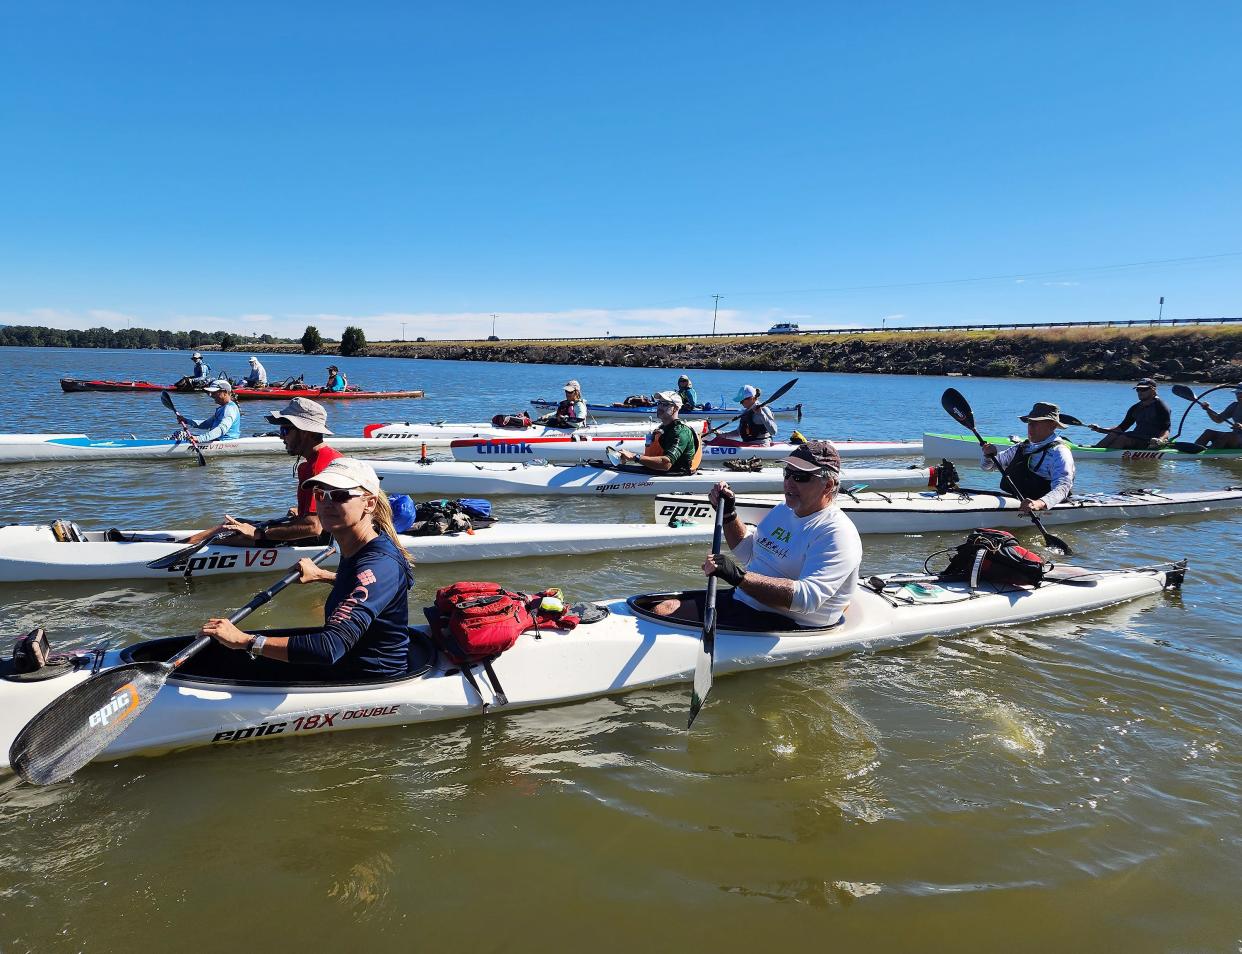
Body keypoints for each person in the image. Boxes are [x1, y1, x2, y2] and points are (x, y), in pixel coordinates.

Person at [200, 458, 414, 679]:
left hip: (369, 675)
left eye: (340, 495)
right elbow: (370, 584)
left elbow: (330, 647)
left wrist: (245, 641)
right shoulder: (361, 547)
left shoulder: (379, 563)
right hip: (347, 659)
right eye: (321, 495)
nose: (327, 504)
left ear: (369, 503)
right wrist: (324, 575)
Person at [652, 441, 861, 628]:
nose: (789, 482)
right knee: (660, 607)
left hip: (791, 621)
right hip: (746, 601)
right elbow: (748, 552)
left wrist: (738, 577)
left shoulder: (837, 533)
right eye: (787, 473)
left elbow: (806, 599)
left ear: (828, 485)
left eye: (800, 476)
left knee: (663, 613)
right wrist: (728, 514)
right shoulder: (783, 510)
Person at [184, 397, 341, 547]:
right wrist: (302, 512)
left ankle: (183, 547)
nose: (281, 437)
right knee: (231, 525)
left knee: (229, 534)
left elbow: (313, 527)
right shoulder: (321, 459)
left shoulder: (318, 467)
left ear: (304, 432)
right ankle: (186, 542)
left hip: (319, 540)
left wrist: (259, 533)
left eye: (285, 430)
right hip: (319, 532)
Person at [980, 402, 1076, 512]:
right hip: (1015, 502)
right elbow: (987, 467)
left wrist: (1039, 503)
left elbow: (1063, 487)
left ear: (1052, 426)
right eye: (1030, 423)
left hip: (1041, 507)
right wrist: (988, 455)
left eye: (1037, 423)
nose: (1031, 427)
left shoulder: (1060, 452)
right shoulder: (1022, 447)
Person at [616, 391, 700, 474]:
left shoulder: (681, 432)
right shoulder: (662, 428)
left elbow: (666, 464)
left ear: (676, 408)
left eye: (665, 404)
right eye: (659, 403)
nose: (660, 407)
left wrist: (634, 457)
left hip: (676, 474)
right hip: (657, 472)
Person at [1088, 378, 1171, 449]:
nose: (1140, 392)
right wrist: (1100, 429)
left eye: (1144, 389)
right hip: (1136, 437)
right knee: (1113, 434)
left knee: (1122, 438)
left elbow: (1166, 429)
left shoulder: (1161, 406)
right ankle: (1095, 452)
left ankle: (1102, 457)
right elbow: (1121, 428)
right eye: (1138, 389)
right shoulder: (1135, 408)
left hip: (1151, 441)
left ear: (1153, 390)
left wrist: (1160, 440)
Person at [176, 381, 241, 443]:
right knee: (179, 434)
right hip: (216, 439)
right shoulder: (222, 408)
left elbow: (221, 429)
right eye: (211, 393)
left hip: (224, 441)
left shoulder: (229, 409)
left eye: (214, 392)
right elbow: (206, 424)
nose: (211, 395)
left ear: (225, 392)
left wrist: (200, 439)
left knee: (179, 435)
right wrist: (186, 421)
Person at [1193, 383, 1242, 449]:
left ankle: (1209, 455)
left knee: (1228, 436)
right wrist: (1208, 409)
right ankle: (1193, 450)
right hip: (1236, 437)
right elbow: (1218, 420)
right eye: (1237, 393)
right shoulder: (1234, 406)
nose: (1239, 395)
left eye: (1241, 393)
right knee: (1208, 432)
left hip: (1237, 439)